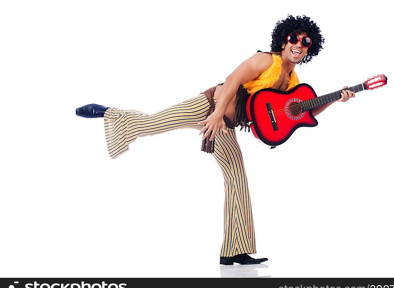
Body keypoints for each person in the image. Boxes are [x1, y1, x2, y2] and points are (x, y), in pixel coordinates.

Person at [75, 15, 355, 265]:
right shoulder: (265, 60)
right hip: (209, 107)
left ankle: (234, 250)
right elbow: (232, 81)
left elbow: (303, 112)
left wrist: (335, 100)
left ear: (310, 49)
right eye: (294, 38)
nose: (298, 44)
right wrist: (217, 115)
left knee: (237, 178)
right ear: (283, 40)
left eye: (305, 42)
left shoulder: (292, 80)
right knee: (150, 125)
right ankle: (109, 112)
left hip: (226, 125)